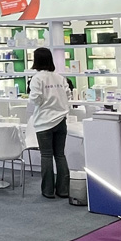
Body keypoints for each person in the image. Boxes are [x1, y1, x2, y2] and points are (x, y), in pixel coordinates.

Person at [29, 48, 72, 199]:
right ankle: (63, 190)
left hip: (44, 121)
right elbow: (68, 95)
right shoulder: (60, 77)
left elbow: (35, 99)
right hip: (61, 120)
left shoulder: (37, 78)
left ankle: (48, 191)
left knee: (46, 155)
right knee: (60, 155)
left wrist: (43, 102)